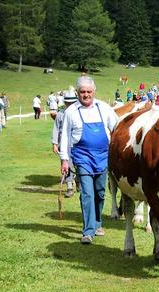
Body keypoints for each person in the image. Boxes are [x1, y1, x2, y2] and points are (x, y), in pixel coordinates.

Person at [59, 76, 118, 244]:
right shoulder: (71, 111)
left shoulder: (104, 108)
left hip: (103, 157)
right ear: (78, 93)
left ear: (94, 92)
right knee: (87, 192)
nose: (86, 95)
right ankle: (88, 231)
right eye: (82, 92)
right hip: (82, 156)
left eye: (89, 92)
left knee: (100, 192)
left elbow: (117, 128)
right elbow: (65, 137)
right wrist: (64, 159)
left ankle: (98, 223)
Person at [52, 87, 77, 197]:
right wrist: (54, 143)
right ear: (65, 102)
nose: (70, 104)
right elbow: (56, 129)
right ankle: (70, 186)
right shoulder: (60, 114)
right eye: (68, 102)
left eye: (72, 102)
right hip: (64, 143)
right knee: (66, 163)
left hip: (77, 143)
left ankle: (80, 181)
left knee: (79, 163)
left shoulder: (79, 113)